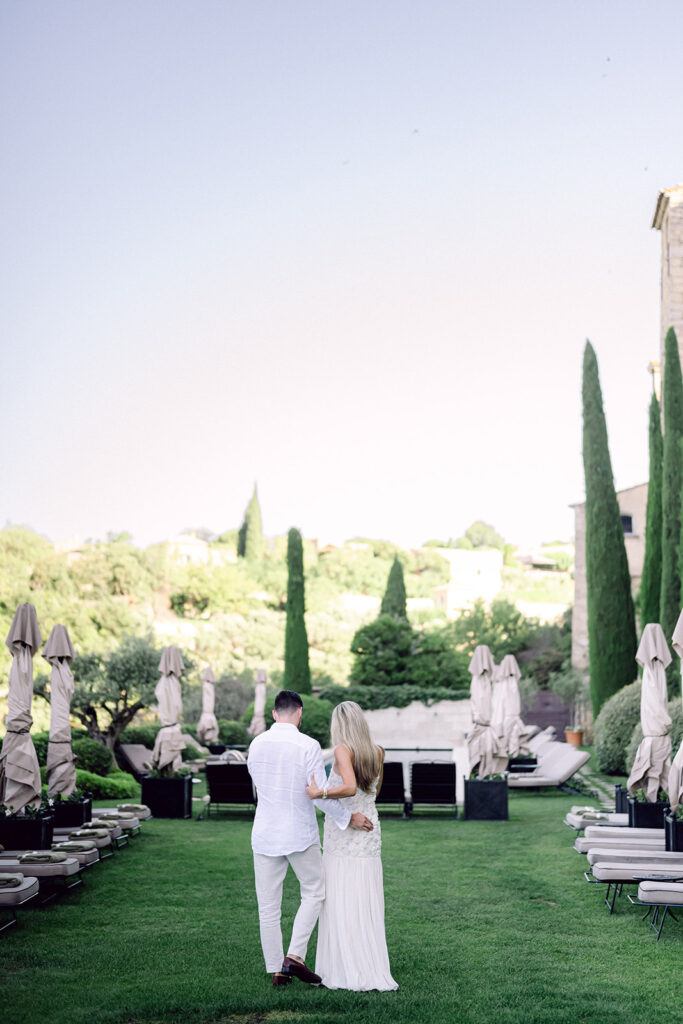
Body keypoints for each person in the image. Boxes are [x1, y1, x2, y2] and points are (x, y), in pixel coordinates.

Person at [247, 689, 374, 988]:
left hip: (264, 833)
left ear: (275, 714)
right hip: (298, 833)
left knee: (268, 906)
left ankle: (278, 970)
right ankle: (295, 956)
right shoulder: (308, 745)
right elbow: (317, 794)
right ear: (300, 712)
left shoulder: (256, 744)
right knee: (314, 891)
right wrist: (348, 817)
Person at [305, 700, 398, 991]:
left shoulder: (343, 750)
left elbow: (347, 787)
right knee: (363, 896)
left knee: (340, 897)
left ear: (340, 725)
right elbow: (372, 791)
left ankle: (345, 969)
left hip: (344, 837)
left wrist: (318, 792)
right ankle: (368, 964)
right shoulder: (378, 752)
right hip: (369, 830)